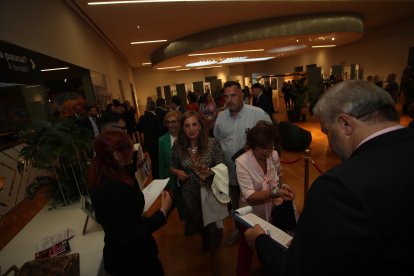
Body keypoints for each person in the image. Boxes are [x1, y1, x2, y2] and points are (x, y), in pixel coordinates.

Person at [245, 80, 414, 275]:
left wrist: (260, 240)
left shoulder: (338, 187)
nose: (330, 141)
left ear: (345, 124)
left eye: (327, 131)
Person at [87, 131, 173, 275]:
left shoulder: (101, 172)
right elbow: (130, 236)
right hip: (134, 262)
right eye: (129, 147)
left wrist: (132, 166)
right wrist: (163, 212)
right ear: (116, 155)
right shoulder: (116, 190)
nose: (132, 149)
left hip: (119, 255)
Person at [214, 80, 272, 245]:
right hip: (231, 172)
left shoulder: (258, 114)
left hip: (254, 173)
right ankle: (239, 231)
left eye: (233, 95)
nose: (229, 100)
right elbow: (217, 140)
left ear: (242, 95)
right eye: (226, 97)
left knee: (257, 203)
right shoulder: (221, 118)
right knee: (236, 204)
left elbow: (271, 138)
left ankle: (262, 232)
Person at [171, 111, 228, 275]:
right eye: (187, 125)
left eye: (194, 124)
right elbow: (173, 165)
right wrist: (177, 172)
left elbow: (221, 166)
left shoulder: (213, 144)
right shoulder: (178, 146)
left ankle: (215, 258)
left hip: (210, 190)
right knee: (198, 220)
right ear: (182, 128)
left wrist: (208, 172)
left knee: (212, 224)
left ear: (201, 126)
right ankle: (206, 240)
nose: (191, 129)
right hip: (189, 192)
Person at [235, 121, 295, 276]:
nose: (268, 152)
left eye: (271, 147)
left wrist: (285, 187)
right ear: (252, 146)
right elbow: (250, 196)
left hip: (272, 208)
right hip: (251, 212)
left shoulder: (273, 154)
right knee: (247, 245)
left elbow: (280, 175)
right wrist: (275, 192)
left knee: (271, 242)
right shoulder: (241, 162)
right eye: (263, 148)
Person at [158, 110, 186, 219]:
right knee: (180, 204)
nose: (170, 125)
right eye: (168, 122)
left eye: (173, 122)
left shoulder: (187, 136)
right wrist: (163, 185)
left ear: (180, 122)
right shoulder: (162, 140)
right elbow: (162, 164)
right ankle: (186, 223)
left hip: (189, 177)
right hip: (174, 180)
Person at [137, 100, 164, 179]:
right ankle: (159, 177)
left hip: (148, 143)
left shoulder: (142, 118)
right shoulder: (156, 117)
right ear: (154, 107)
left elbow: (139, 129)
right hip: (157, 143)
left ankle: (155, 177)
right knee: (158, 161)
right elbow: (161, 130)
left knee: (153, 161)